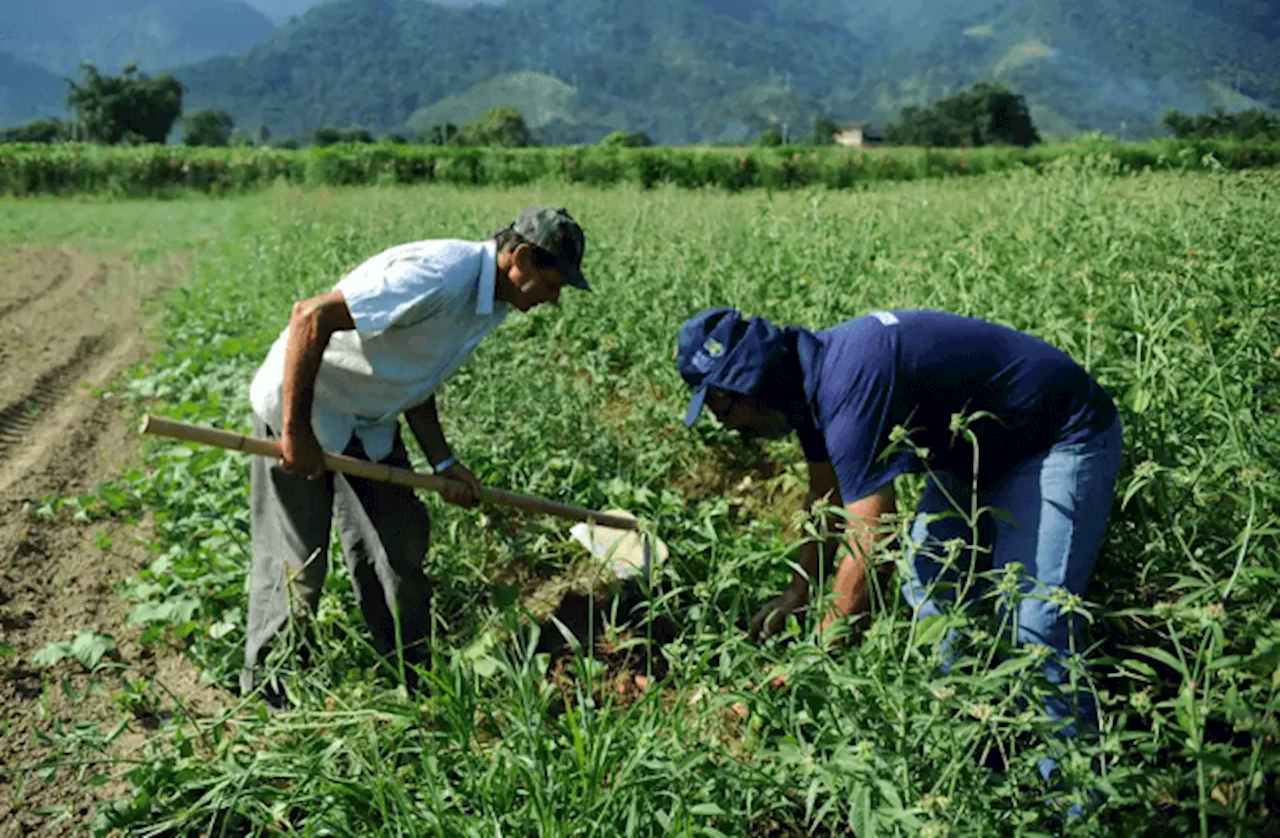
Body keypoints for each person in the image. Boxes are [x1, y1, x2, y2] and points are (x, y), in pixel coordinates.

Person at [675, 306, 1123, 791]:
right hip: (973, 454)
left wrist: (812, 661)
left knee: (1036, 627)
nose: (723, 424)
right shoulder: (802, 385)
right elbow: (826, 500)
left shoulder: (848, 382)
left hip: (1057, 436)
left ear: (747, 384)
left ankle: (1073, 802)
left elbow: (872, 538)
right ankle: (974, 749)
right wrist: (797, 595)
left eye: (720, 407)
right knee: (932, 587)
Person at [242, 205, 590, 704]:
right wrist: (295, 432)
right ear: (521, 259)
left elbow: (417, 376)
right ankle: (270, 695)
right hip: (304, 406)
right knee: (299, 566)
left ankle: (412, 675)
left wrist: (443, 462)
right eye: (553, 284)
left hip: (369, 419)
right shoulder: (440, 276)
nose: (554, 299)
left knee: (399, 544)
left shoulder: (488, 305)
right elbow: (310, 316)